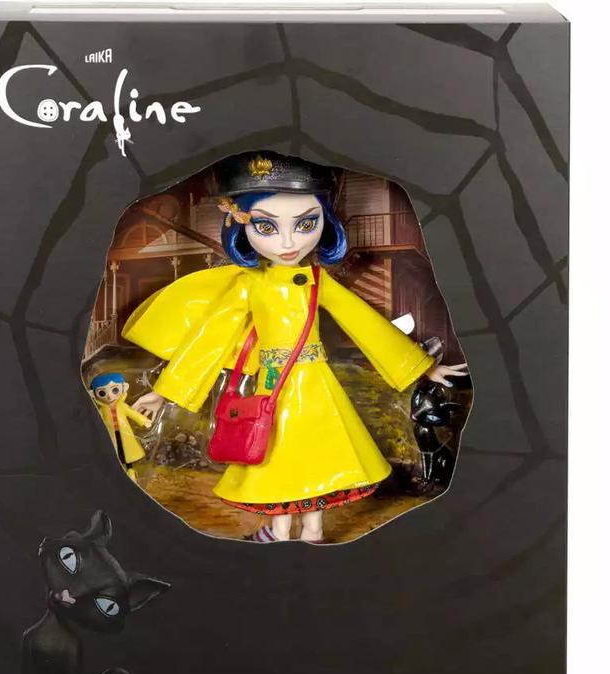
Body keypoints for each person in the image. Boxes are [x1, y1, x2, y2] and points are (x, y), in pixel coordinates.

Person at [123, 153, 467, 541]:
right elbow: (210, 340)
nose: (288, 242)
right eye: (266, 226)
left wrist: (421, 366)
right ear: (238, 222)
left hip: (317, 384)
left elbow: (365, 323)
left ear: (326, 220)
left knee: (318, 457)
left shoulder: (318, 280)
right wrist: (165, 391)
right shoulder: (250, 285)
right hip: (273, 384)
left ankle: (313, 531)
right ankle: (280, 530)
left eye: (306, 224)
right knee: (278, 455)